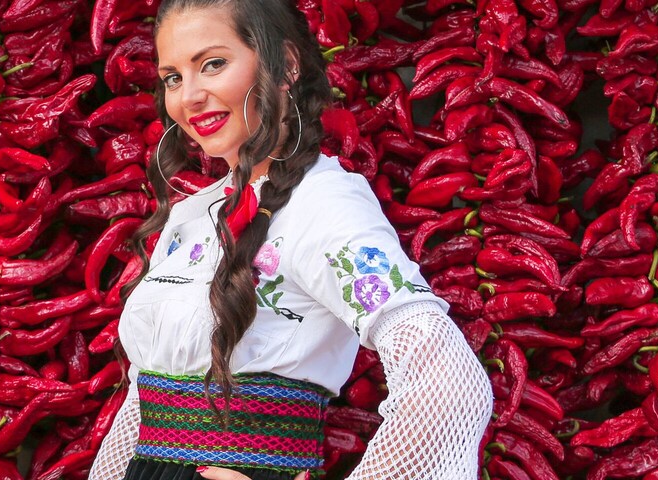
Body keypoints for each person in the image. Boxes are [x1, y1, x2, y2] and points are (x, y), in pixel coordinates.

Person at [85, 0, 494, 479]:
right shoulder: (195, 213)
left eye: (212, 64)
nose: (188, 96)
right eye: (173, 77)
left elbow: (449, 381)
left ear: (287, 66)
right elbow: (146, 402)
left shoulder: (323, 203)